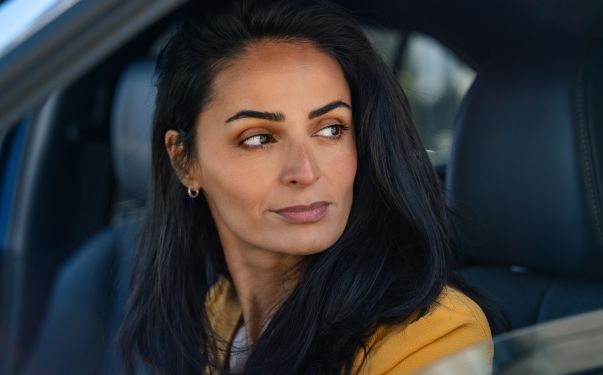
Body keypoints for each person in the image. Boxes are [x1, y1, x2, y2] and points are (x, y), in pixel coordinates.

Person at [120, 0, 498, 373]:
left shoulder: (431, 335)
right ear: (185, 161)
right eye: (258, 138)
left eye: (331, 129)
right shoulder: (216, 312)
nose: (305, 171)